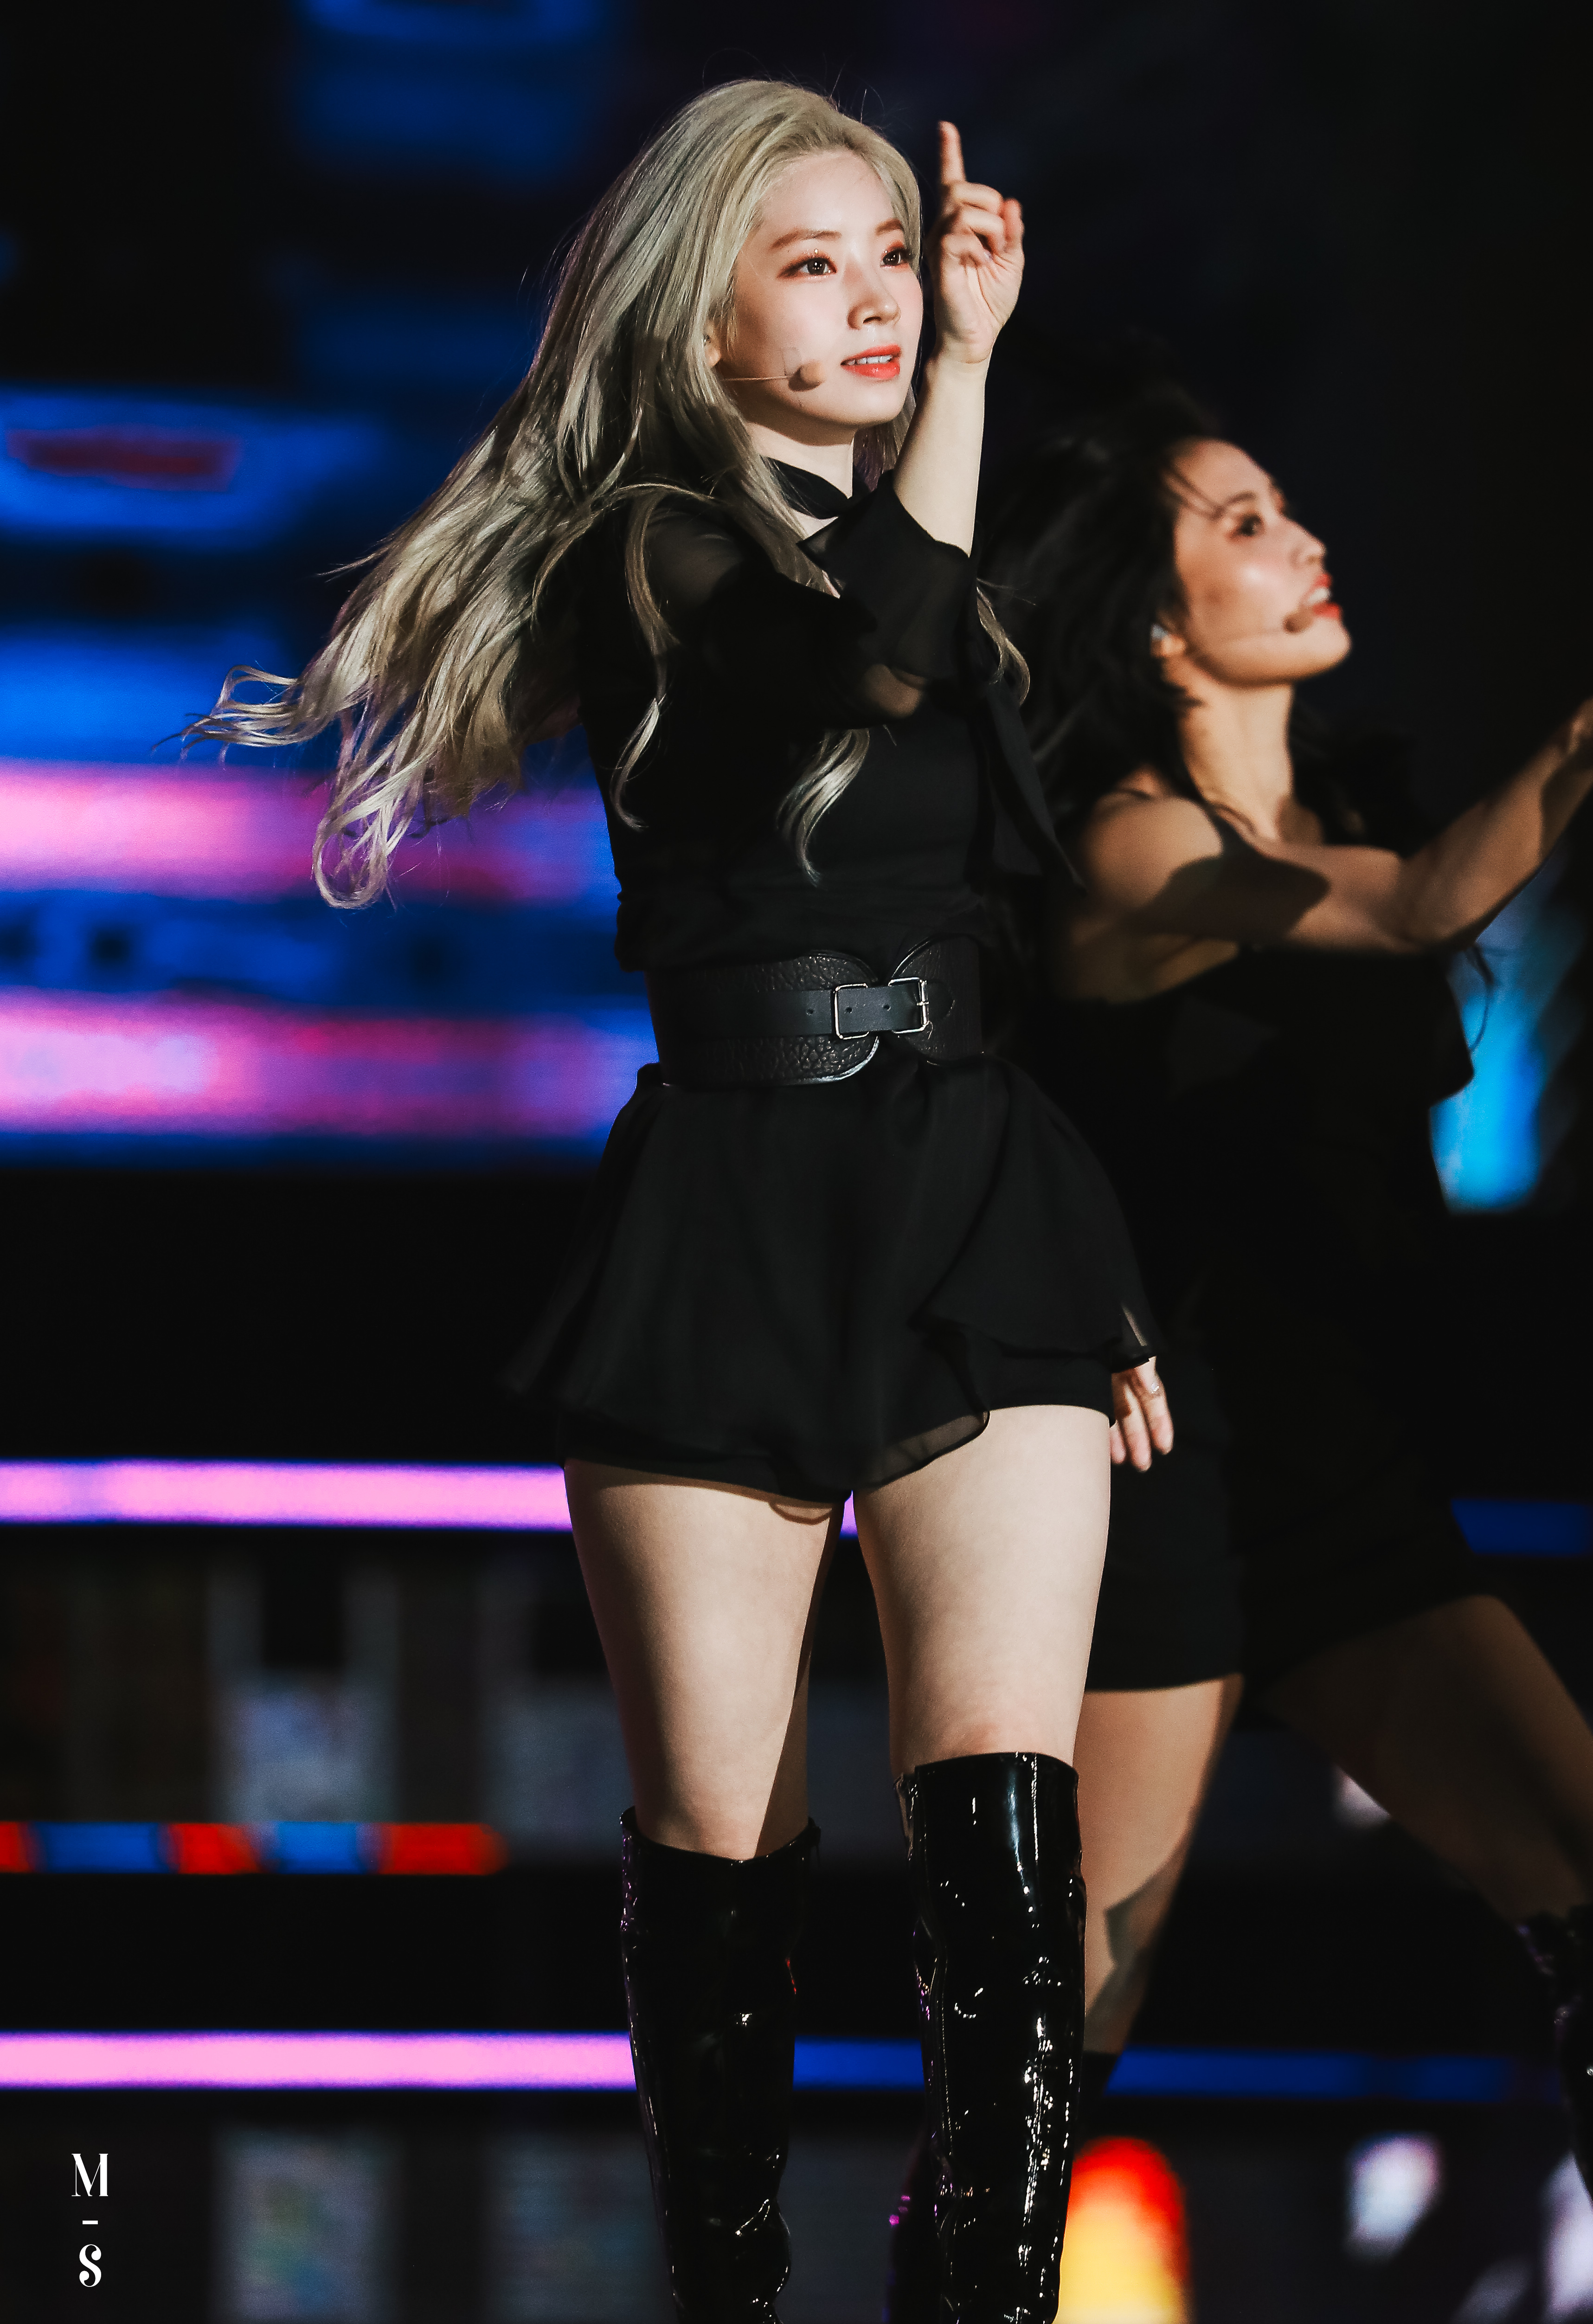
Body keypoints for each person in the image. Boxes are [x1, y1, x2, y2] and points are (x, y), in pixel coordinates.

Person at [192, 85, 1173, 2323]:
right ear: (703, 320)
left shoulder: (948, 563)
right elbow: (860, 661)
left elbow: (1013, 932)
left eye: (891, 256)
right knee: (718, 1857)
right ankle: (723, 2288)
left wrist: (1089, 1261)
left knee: (1003, 1826)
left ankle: (992, 2295)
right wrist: (961, 388)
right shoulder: (649, 552)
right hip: (729, 1203)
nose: (879, 299)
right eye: (814, 263)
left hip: (976, 1192)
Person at [884, 378, 1593, 2316]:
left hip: (1339, 1469)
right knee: (1051, 2053)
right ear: (1153, 625)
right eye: (1245, 526)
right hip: (1151, 1481)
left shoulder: (1350, 803)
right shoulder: (1128, 847)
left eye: (1288, 506)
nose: (1305, 543)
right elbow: (1432, 904)